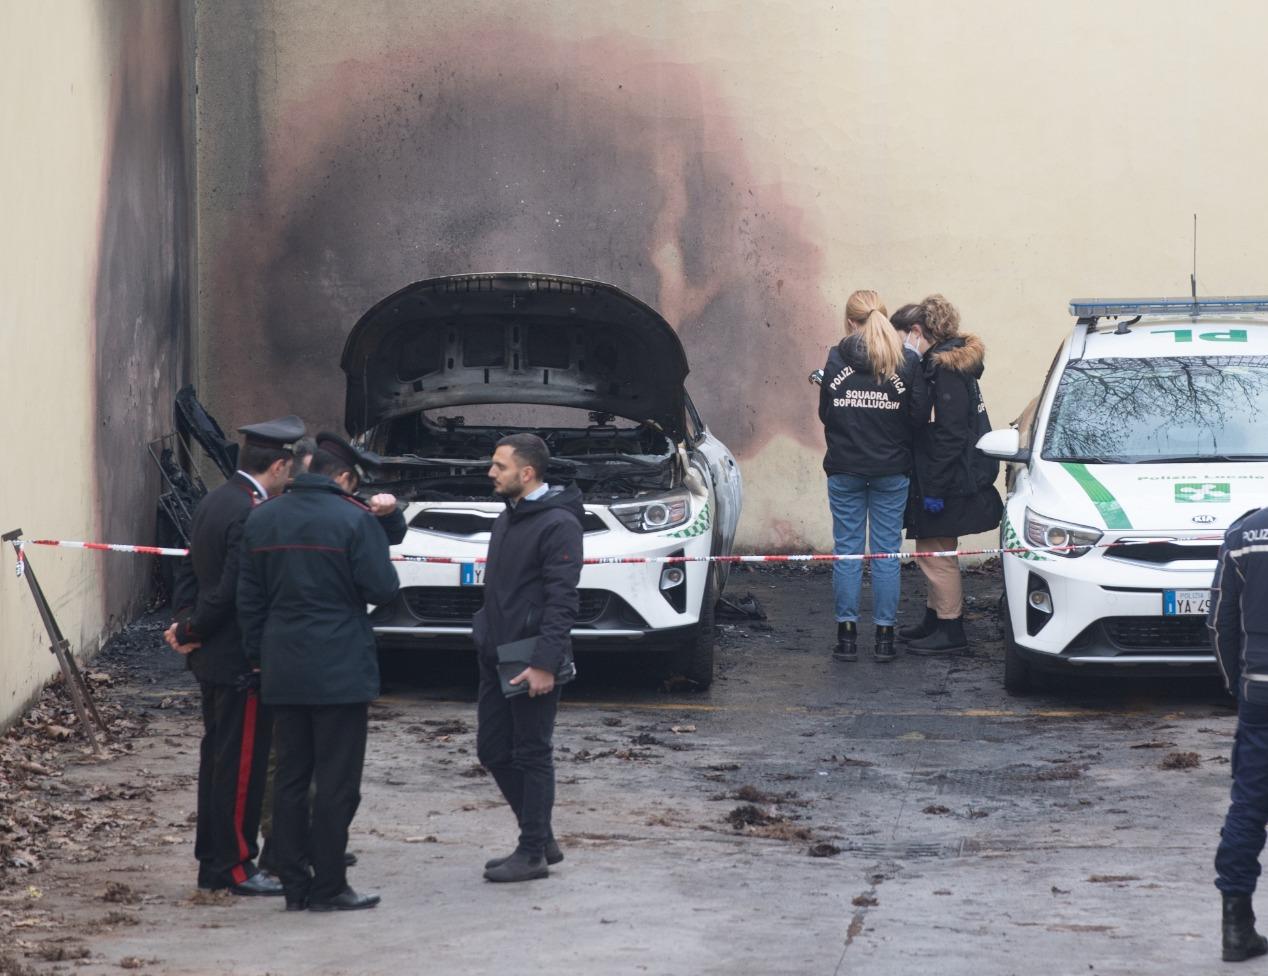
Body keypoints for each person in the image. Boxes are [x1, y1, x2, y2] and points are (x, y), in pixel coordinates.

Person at [237, 432, 400, 912]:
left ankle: (292, 882)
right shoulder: (354, 520)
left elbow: (249, 602)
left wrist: (259, 658)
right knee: (336, 783)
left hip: (282, 667)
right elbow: (383, 588)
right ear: (345, 478)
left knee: (290, 777)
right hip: (341, 670)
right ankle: (329, 884)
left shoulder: (262, 518)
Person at [166, 415, 305, 896]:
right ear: (282, 465)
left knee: (218, 761)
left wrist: (185, 623)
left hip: (210, 656)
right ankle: (235, 866)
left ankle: (214, 861)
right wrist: (193, 626)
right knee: (240, 766)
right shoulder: (250, 511)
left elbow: (189, 569)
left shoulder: (216, 499)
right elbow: (232, 591)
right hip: (239, 661)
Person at [474, 433, 583, 883]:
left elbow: (563, 601)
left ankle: (532, 851)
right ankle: (541, 837)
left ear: (527, 473)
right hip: (496, 653)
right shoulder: (510, 517)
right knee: (493, 750)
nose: (491, 473)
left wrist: (544, 663)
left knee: (532, 753)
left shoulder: (558, 524)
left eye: (499, 466)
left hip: (531, 656)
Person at [818, 290, 929, 663]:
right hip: (891, 471)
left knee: (847, 553)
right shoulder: (905, 363)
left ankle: (846, 637)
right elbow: (917, 418)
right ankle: (884, 637)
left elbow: (826, 414)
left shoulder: (835, 358)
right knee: (885, 554)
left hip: (845, 469)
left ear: (851, 322)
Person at [890, 296, 1002, 655]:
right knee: (931, 550)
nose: (902, 347)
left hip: (949, 478)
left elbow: (951, 433)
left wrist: (935, 488)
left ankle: (950, 628)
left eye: (902, 338)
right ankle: (935, 618)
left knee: (937, 553)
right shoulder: (948, 364)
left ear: (917, 332)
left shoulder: (946, 369)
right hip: (949, 475)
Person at [1210, 507, 1268, 962]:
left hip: (1261, 694)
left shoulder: (1246, 532)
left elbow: (1221, 621)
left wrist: (1239, 687)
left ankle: (1236, 929)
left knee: (1249, 805)